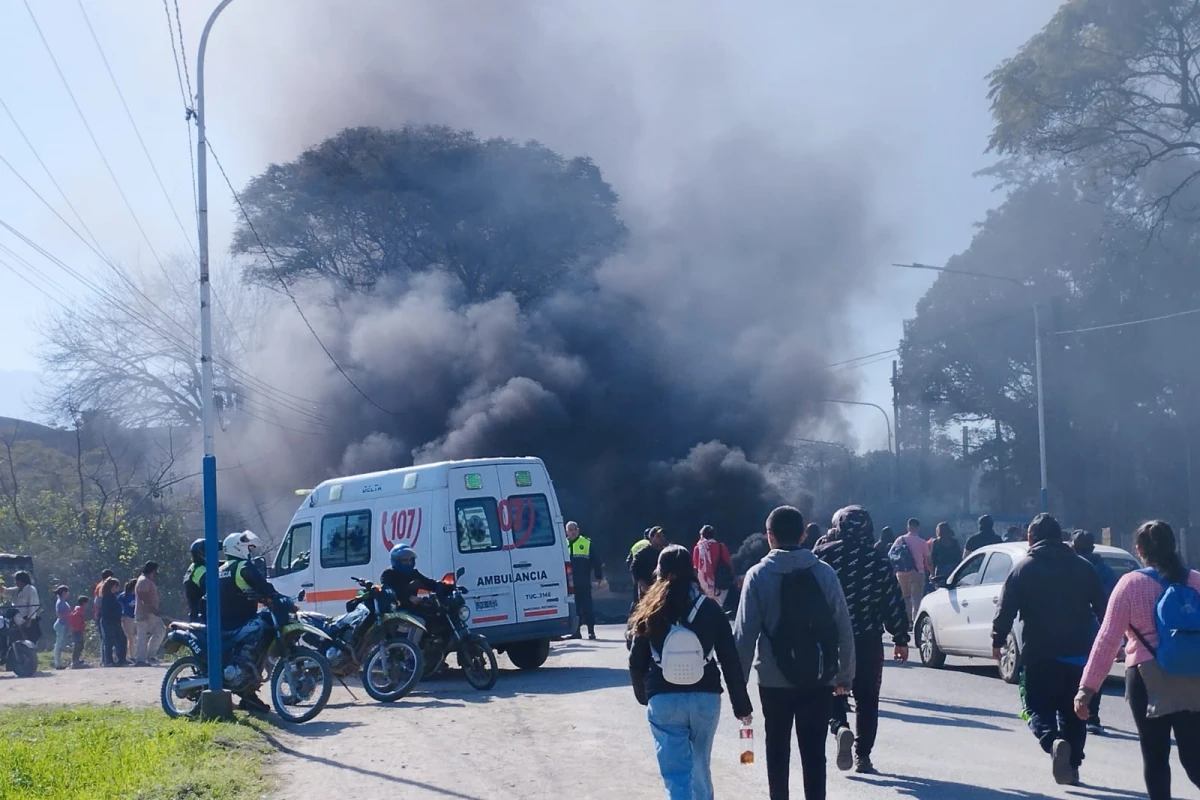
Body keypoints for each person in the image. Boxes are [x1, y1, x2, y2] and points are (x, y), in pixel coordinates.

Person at [734, 505, 855, 800]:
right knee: (814, 752)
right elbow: (843, 626)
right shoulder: (824, 573)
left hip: (774, 680)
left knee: (777, 749)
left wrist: (739, 690)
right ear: (803, 535)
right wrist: (844, 675)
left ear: (769, 536)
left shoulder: (758, 575)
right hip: (819, 676)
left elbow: (744, 635)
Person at [1075, 521, 1200, 800]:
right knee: (1194, 757)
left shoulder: (1130, 585)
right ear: (1174, 546)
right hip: (1195, 676)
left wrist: (1087, 689)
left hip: (1146, 678)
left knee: (1155, 756)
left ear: (1139, 550)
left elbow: (1107, 639)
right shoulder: (1196, 581)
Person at [629, 545, 753, 800]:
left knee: (676, 774)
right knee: (699, 766)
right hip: (705, 698)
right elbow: (730, 659)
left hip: (664, 699)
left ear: (660, 573)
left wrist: (645, 695)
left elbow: (636, 660)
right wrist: (742, 706)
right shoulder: (711, 609)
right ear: (692, 570)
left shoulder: (649, 609)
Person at [992, 513, 1106, 787]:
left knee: (1034, 706)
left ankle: (1052, 741)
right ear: (1061, 537)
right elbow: (1104, 608)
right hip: (1080, 654)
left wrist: (997, 641)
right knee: (1076, 711)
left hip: (1039, 654)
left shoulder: (1024, 568)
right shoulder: (1084, 567)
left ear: (1031, 538)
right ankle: (1073, 765)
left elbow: (1005, 609)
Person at [813, 505, 910, 775]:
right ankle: (862, 755)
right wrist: (900, 638)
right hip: (867, 640)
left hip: (828, 640)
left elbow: (807, 596)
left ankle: (839, 727)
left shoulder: (822, 557)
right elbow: (892, 602)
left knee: (830, 690)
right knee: (867, 699)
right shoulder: (879, 561)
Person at [1069, 529, 1117, 734]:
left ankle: (1072, 712)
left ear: (1073, 545)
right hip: (1098, 628)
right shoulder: (1104, 570)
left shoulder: (1068, 567)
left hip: (1070, 627)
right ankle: (1092, 717)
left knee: (1071, 670)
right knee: (1096, 671)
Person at [890, 518, 932, 629]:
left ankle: (907, 621)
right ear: (918, 528)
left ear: (908, 527)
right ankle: (916, 622)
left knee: (905, 597)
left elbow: (891, 554)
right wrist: (931, 572)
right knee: (916, 598)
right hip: (917, 572)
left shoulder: (900, 539)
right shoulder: (922, 542)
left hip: (902, 572)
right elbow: (928, 559)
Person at [566, 521, 603, 640]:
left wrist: (598, 576)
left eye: (575, 529)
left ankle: (591, 631)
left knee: (587, 607)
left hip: (584, 581)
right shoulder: (562, 544)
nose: (573, 532)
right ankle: (576, 632)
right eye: (570, 529)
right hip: (569, 583)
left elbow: (596, 561)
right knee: (574, 608)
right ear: (566, 531)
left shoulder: (586, 543)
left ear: (578, 530)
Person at [379, 543, 442, 614]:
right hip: (397, 612)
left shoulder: (413, 573)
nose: (408, 563)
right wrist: (408, 597)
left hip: (413, 610)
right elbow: (389, 591)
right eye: (405, 560)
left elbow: (429, 583)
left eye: (410, 560)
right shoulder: (388, 574)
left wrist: (443, 585)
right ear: (396, 561)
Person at [692, 525, 734, 606]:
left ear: (702, 536)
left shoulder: (698, 549)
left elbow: (695, 569)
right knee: (720, 607)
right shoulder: (721, 547)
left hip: (704, 586)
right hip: (721, 584)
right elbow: (729, 565)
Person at [133, 562, 165, 667]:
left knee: (160, 631)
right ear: (152, 570)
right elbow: (144, 597)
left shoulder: (146, 581)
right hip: (145, 613)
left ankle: (150, 655)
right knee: (142, 635)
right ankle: (140, 660)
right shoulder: (143, 581)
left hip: (151, 613)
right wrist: (153, 609)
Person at [3, 570, 41, 644]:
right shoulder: (17, 590)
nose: (15, 582)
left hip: (27, 620)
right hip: (16, 619)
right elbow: (6, 592)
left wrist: (29, 621)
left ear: (21, 580)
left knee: (28, 641)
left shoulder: (31, 590)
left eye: (16, 580)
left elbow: (33, 606)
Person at [631, 527, 667, 601]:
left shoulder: (667, 552)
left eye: (662, 536)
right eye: (658, 536)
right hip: (647, 590)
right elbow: (634, 568)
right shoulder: (643, 553)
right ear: (651, 538)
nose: (661, 538)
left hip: (663, 589)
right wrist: (642, 584)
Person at [99, 577, 127, 666]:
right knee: (109, 641)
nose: (117, 588)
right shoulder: (107, 596)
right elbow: (107, 611)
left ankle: (121, 659)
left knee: (121, 640)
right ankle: (109, 661)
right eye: (115, 586)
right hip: (109, 622)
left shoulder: (113, 596)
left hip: (115, 621)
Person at [92, 569, 114, 666]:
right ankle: (105, 659)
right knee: (105, 637)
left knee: (104, 637)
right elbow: (98, 601)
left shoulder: (99, 585)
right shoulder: (103, 586)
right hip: (103, 613)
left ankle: (104, 659)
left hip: (100, 613)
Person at [183, 538, 208, 622]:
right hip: (202, 617)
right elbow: (210, 588)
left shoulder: (194, 567)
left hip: (198, 614)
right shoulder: (199, 571)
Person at [66, 595, 89, 668]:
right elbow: (77, 620)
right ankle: (74, 662)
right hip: (77, 630)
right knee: (77, 645)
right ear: (84, 603)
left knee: (80, 645)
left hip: (77, 630)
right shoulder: (79, 610)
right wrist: (80, 626)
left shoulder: (78, 610)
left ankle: (77, 660)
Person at [52, 585, 71, 670]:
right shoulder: (60, 602)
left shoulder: (62, 601)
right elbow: (59, 614)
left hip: (62, 624)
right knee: (58, 645)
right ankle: (58, 664)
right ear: (64, 593)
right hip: (61, 624)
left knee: (60, 644)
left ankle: (59, 663)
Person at [118, 579, 137, 657]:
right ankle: (131, 656)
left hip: (136, 618)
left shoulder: (138, 595)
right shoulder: (124, 595)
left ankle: (136, 655)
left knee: (137, 638)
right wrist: (121, 615)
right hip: (127, 618)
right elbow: (118, 605)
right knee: (130, 638)